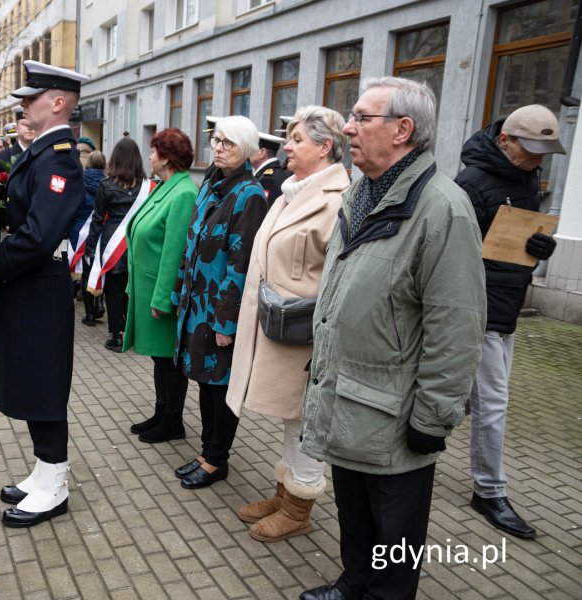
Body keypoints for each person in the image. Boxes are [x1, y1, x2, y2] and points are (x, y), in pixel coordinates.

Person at [297, 77, 486, 600]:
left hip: (397, 417)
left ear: (403, 130)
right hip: (348, 395)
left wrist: (433, 417)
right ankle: (353, 584)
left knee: (395, 541)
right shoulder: (362, 191)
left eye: (362, 117)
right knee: (355, 516)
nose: (349, 128)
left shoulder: (444, 208)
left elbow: (458, 326)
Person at [226, 106, 348, 543]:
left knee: (305, 420)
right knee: (288, 417)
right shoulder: (289, 191)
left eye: (296, 139)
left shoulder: (338, 200)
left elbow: (338, 279)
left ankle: (300, 508)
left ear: (325, 146)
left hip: (305, 335)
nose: (286, 146)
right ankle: (285, 492)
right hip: (278, 330)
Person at [0, 60, 89, 528]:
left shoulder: (60, 158)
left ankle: (55, 483)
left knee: (43, 386)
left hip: (38, 287)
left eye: (32, 97)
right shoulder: (41, 153)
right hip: (26, 286)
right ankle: (45, 470)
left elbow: (39, 235)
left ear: (58, 102)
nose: (23, 104)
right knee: (29, 379)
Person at [454, 104, 564, 540]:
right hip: (479, 311)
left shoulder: (524, 176)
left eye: (545, 151)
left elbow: (516, 241)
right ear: (505, 140)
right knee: (493, 404)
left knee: (471, 397)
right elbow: (451, 251)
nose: (540, 159)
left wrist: (540, 247)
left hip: (507, 306)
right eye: (532, 149)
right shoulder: (471, 182)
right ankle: (489, 490)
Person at [172, 115, 268, 489]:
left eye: (227, 143)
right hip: (198, 308)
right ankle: (205, 451)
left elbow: (240, 264)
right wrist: (180, 292)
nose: (218, 148)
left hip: (220, 313)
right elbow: (190, 244)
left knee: (221, 387)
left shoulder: (249, 194)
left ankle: (217, 459)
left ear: (244, 149)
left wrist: (226, 324)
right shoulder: (211, 184)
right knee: (203, 381)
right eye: (215, 141)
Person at [124, 128, 197, 443]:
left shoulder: (183, 192)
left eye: (154, 151)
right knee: (160, 357)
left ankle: (173, 421)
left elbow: (173, 252)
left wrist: (163, 298)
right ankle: (161, 411)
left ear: (166, 158)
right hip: (146, 286)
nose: (149, 156)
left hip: (160, 291)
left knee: (170, 359)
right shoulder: (166, 186)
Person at [84, 138, 148, 351]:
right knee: (133, 288)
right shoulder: (147, 186)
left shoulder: (106, 184)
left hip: (113, 243)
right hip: (137, 243)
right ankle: (133, 331)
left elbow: (98, 218)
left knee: (114, 290)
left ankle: (117, 335)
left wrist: (91, 247)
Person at [77, 150, 106, 323]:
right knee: (101, 269)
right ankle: (99, 302)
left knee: (87, 273)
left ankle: (89, 314)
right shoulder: (109, 182)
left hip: (82, 234)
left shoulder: (79, 182)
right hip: (103, 233)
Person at [250, 132, 292, 206]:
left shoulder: (267, 180)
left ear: (262, 153)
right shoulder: (273, 173)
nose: (247, 152)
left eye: (251, 149)